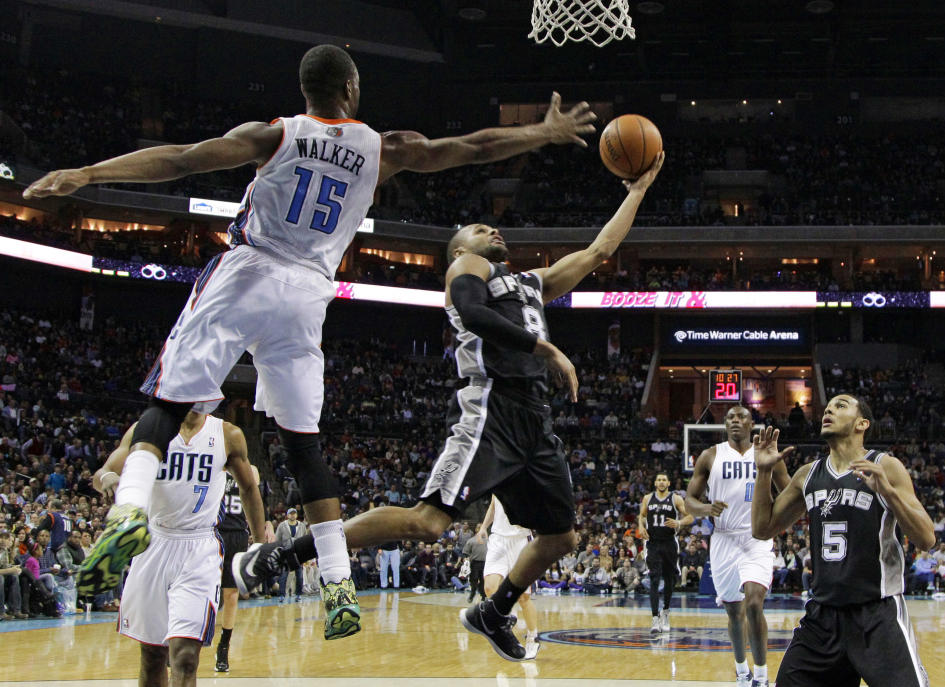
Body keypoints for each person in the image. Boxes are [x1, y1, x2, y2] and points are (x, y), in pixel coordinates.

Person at [25, 44, 595, 642]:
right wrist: (543, 131)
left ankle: (128, 510)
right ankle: (338, 583)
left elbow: (181, 159)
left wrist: (89, 174)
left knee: (169, 403)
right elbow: (472, 148)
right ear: (351, 88)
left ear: (307, 92)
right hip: (308, 295)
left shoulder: (277, 134)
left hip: (249, 268)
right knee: (304, 445)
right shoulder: (380, 145)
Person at [232, 151, 666, 661]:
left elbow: (598, 250)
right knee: (427, 523)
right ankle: (286, 552)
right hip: (490, 410)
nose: (494, 232)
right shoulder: (468, 266)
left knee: (562, 537)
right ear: (460, 249)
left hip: (534, 419)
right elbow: (476, 314)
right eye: (482, 228)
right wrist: (544, 348)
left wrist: (636, 192)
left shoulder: (530, 283)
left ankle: (494, 610)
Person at [751, 396, 933, 687]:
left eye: (841, 405)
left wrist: (887, 491)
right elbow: (762, 529)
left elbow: (926, 538)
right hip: (823, 616)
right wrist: (763, 472)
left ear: (862, 424)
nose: (829, 410)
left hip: (877, 614)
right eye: (828, 407)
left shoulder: (885, 465)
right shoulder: (807, 475)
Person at [93, 412, 264, 687]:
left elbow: (249, 488)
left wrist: (258, 543)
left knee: (185, 657)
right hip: (153, 543)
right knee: (152, 655)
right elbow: (103, 472)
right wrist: (111, 479)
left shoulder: (227, 434)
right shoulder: (148, 427)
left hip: (199, 547)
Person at [685, 406, 790, 687]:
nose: (735, 420)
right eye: (730, 417)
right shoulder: (711, 456)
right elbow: (689, 500)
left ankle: (762, 677)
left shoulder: (766, 454)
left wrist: (775, 520)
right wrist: (706, 508)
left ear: (751, 423)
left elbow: (790, 492)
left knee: (754, 602)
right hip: (723, 539)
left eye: (741, 416)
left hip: (757, 536)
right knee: (734, 612)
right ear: (724, 424)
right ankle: (741, 669)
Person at [214, 462, 262, 672]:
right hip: (211, 533)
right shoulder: (211, 464)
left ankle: (224, 644)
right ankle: (187, 640)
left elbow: (254, 489)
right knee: (201, 590)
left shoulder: (249, 469)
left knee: (231, 593)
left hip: (237, 533)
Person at [478, 496, 540, 659]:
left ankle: (533, 637)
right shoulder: (497, 474)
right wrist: (484, 526)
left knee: (523, 597)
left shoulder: (529, 478)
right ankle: (506, 625)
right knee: (490, 588)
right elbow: (493, 504)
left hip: (520, 540)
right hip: (498, 539)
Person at [637, 472, 693, 632]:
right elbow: (641, 516)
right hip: (652, 543)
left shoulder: (676, 499)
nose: (661, 482)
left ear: (668, 483)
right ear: (655, 483)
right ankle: (655, 618)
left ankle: (666, 612)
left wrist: (679, 522)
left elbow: (690, 517)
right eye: (659, 479)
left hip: (669, 543)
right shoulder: (647, 498)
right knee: (654, 579)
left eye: (664, 480)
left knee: (670, 580)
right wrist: (641, 527)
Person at [275, 508, 308, 602]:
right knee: (283, 575)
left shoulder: (302, 526)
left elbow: (305, 540)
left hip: (298, 554)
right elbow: (277, 540)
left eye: (294, 514)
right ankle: (281, 594)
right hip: (286, 553)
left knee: (300, 576)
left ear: (296, 515)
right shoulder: (282, 525)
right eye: (290, 514)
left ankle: (298, 594)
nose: (292, 515)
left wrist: (305, 555)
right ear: (287, 515)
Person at [461, 527, 488, 602]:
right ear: (476, 530)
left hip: (485, 563)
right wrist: (466, 560)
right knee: (474, 580)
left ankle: (483, 596)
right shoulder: (471, 540)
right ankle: (472, 594)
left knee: (483, 581)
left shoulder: (488, 540)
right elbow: (465, 553)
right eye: (479, 528)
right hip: (474, 563)